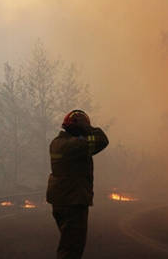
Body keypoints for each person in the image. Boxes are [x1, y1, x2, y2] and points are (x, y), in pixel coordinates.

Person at [46, 109, 109, 259]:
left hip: (61, 201)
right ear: (77, 128)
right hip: (73, 201)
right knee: (71, 249)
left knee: (68, 243)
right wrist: (87, 127)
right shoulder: (74, 146)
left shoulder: (57, 143)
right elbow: (102, 140)